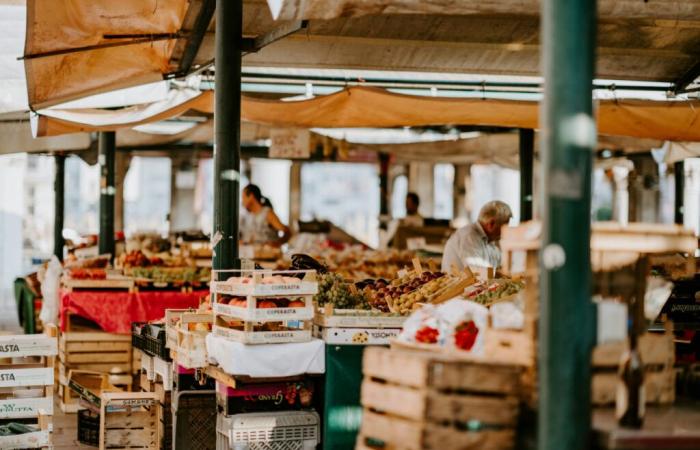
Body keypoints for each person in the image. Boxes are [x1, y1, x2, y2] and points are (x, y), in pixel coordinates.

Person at [441, 200, 513, 271]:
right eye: (504, 226)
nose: (506, 230)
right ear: (491, 224)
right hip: (460, 282)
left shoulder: (490, 240)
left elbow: (501, 265)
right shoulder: (469, 237)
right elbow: (480, 273)